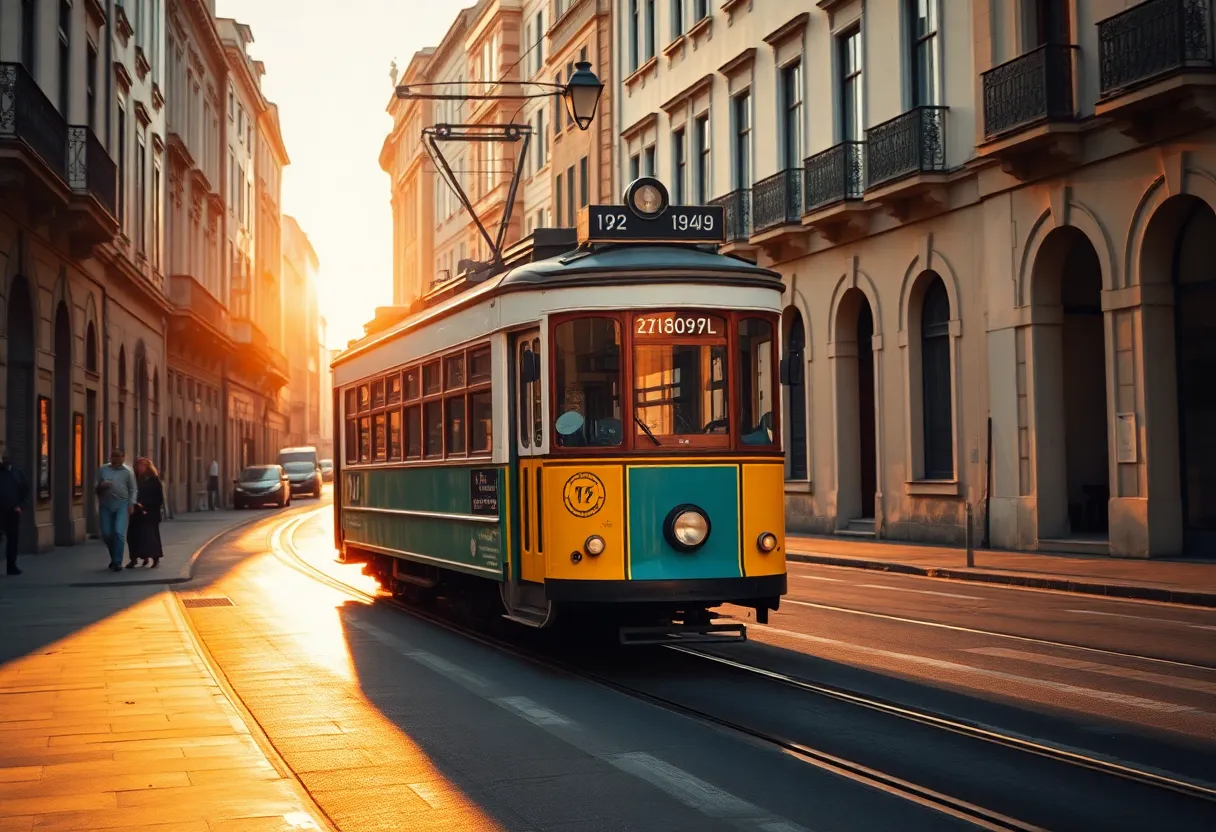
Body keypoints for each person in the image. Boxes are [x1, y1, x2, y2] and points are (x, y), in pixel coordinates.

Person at [96, 448, 137, 572]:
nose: (116, 459)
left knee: (119, 532)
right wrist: (101, 486)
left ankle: (117, 562)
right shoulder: (103, 470)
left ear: (123, 458)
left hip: (122, 504)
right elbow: (95, 487)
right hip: (106, 504)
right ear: (110, 457)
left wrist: (131, 504)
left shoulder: (128, 471)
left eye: (119, 457)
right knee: (107, 533)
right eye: (114, 456)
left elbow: (133, 489)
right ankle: (114, 557)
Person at [127, 457, 164, 568]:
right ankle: (134, 559)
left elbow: (159, 498)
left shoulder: (154, 479)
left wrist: (147, 504)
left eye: (141, 465)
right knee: (133, 535)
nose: (138, 467)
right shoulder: (135, 479)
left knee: (149, 536)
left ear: (147, 467)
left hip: (151, 513)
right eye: (137, 465)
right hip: (137, 512)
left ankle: (155, 557)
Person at [0, 448, 29, 576]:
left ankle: (11, 566)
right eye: (4, 458)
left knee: (13, 540)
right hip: (0, 511)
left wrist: (20, 506)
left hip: (13, 510)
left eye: (8, 458)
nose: (6, 460)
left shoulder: (18, 473)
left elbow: (25, 491)